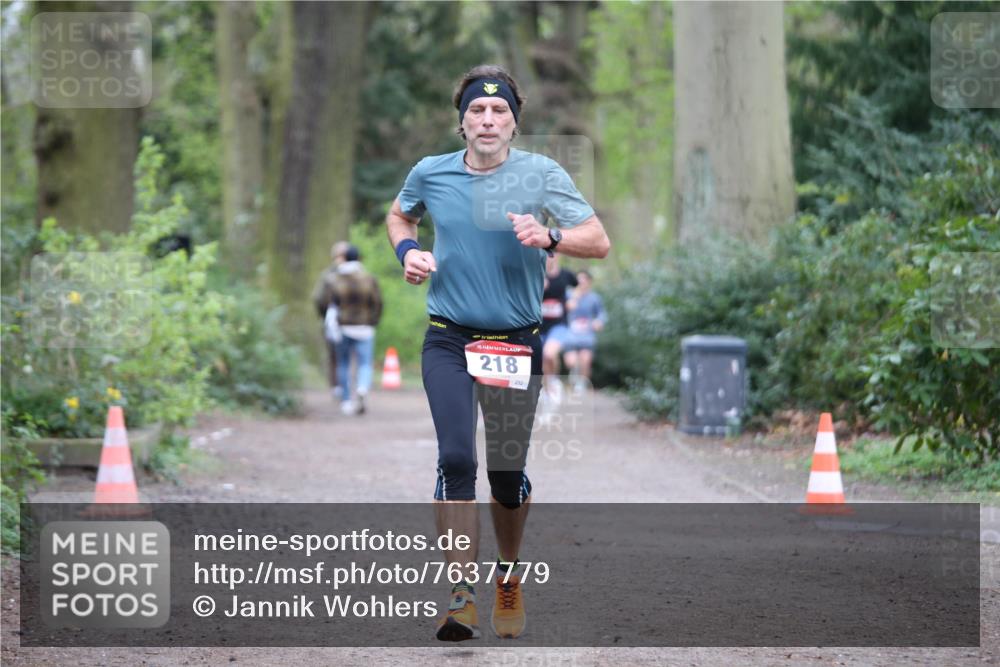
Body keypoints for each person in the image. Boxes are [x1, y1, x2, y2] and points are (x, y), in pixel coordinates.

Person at [385, 64, 609, 642]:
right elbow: (399, 213)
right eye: (477, 112)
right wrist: (408, 251)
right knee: (456, 459)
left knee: (506, 475)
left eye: (499, 112)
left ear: (514, 122)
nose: (488, 120)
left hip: (515, 341)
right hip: (449, 338)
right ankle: (460, 596)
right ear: (461, 122)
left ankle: (508, 574)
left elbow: (599, 241)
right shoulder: (430, 173)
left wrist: (551, 236)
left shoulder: (542, 174)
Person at [329, 245, 382, 416]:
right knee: (365, 363)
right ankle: (362, 387)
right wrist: (373, 321)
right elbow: (378, 302)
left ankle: (345, 400)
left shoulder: (335, 279)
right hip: (365, 327)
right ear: (359, 258)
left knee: (343, 363)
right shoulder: (368, 278)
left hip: (343, 326)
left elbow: (327, 302)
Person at [312, 241, 352, 400]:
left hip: (333, 321)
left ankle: (338, 387)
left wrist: (325, 314)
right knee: (346, 355)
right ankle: (343, 387)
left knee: (335, 356)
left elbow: (318, 298)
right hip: (352, 322)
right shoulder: (357, 272)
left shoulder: (328, 274)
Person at [539, 253, 577, 405]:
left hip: (559, 325)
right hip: (539, 326)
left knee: (549, 353)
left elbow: (580, 285)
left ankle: (554, 381)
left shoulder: (566, 275)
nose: (550, 258)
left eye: (552, 255)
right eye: (546, 255)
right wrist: (537, 287)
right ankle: (548, 390)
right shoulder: (536, 274)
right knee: (542, 360)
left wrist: (574, 299)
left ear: (559, 256)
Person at [561, 270, 605, 395]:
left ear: (589, 282)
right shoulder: (568, 295)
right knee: (571, 362)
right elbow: (562, 310)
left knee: (585, 360)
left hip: (587, 336)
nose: (581, 283)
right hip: (570, 335)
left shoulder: (595, 298)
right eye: (578, 280)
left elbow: (601, 314)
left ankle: (582, 383)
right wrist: (574, 298)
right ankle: (574, 374)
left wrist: (599, 321)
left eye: (583, 280)